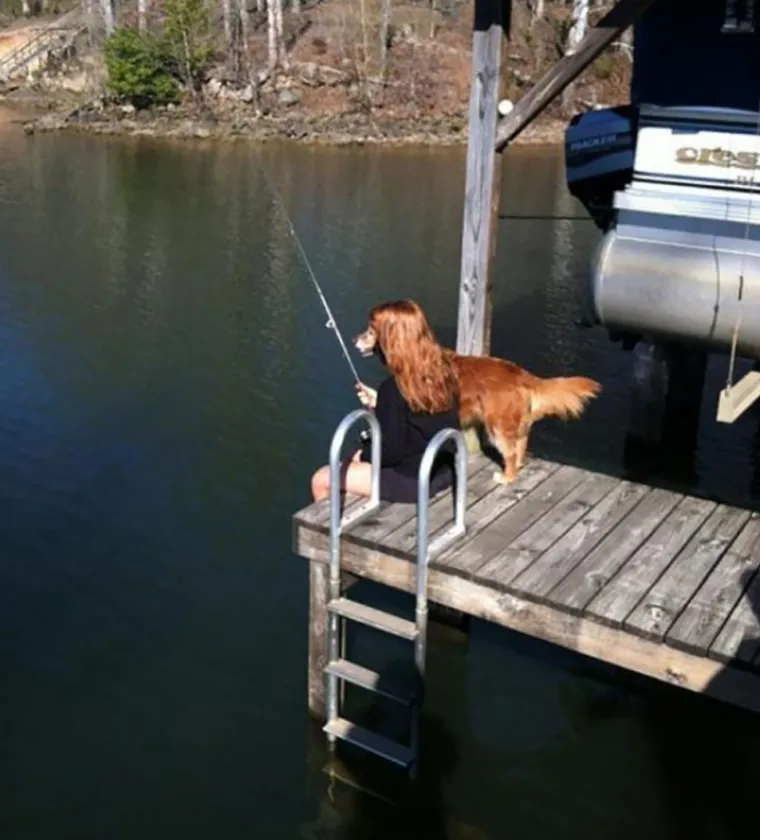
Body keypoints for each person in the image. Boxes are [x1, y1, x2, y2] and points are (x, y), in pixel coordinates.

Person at [310, 300, 460, 504]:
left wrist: (362, 455)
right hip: (444, 469)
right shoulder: (442, 371)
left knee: (322, 478)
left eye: (372, 334)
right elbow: (417, 417)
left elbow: (390, 453)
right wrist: (380, 404)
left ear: (390, 341)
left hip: (413, 481)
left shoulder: (394, 388)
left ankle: (331, 533)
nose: (368, 338)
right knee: (353, 461)